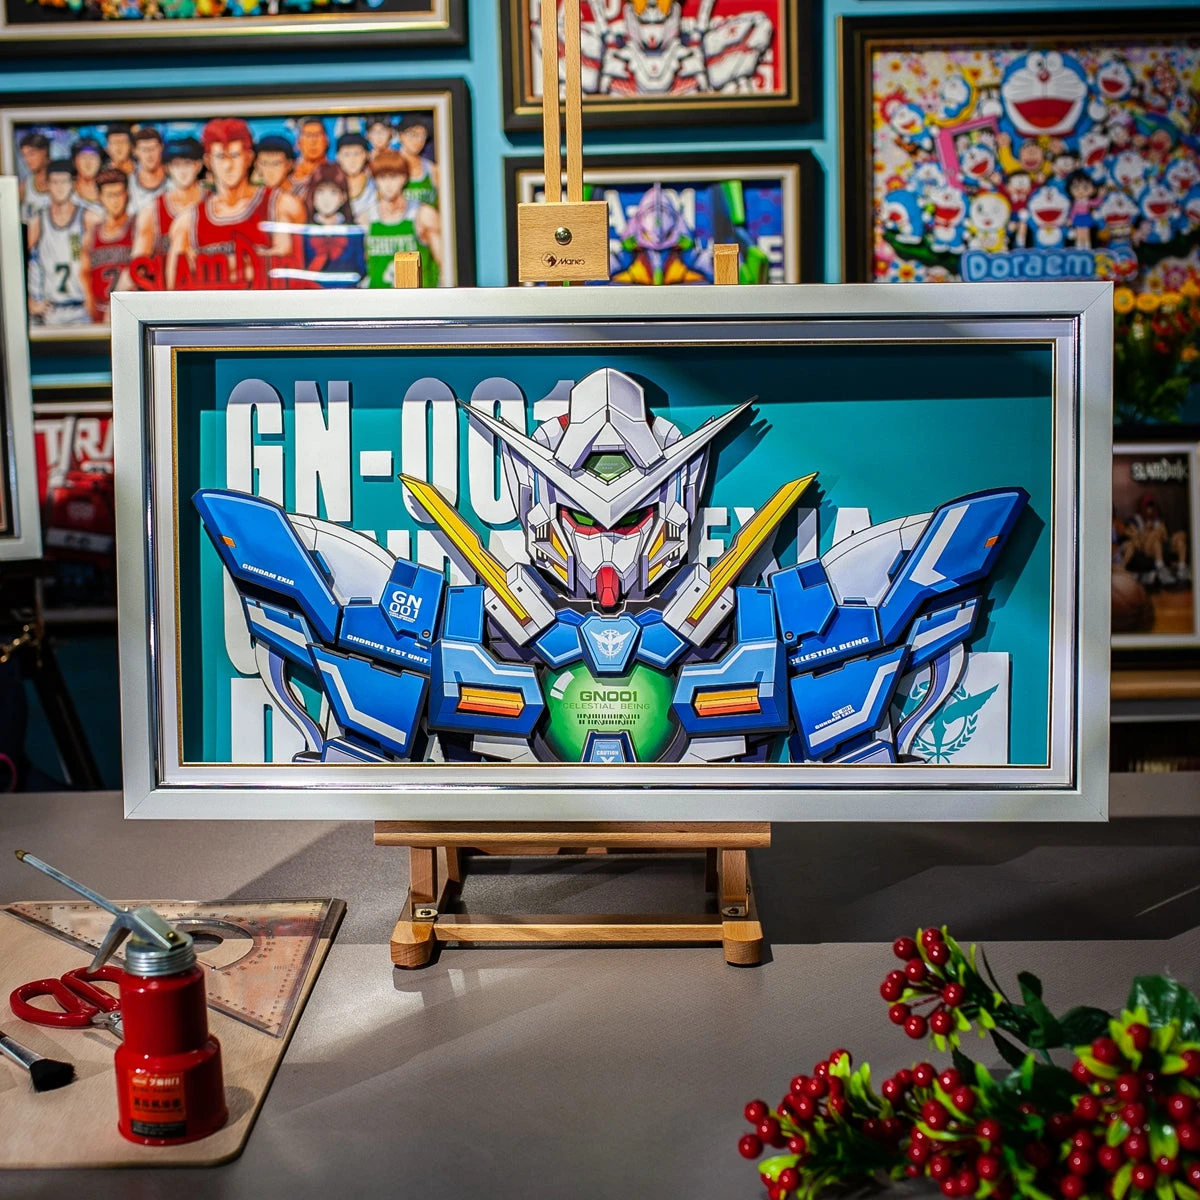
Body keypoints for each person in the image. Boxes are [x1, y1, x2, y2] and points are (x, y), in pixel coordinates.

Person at [166, 117, 305, 290]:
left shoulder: (281, 205)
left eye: (234, 155)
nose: (228, 165)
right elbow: (173, 290)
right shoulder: (187, 223)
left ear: (248, 157)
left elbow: (291, 267)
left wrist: (226, 266)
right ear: (208, 161)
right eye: (220, 156)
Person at [126, 137, 205, 291]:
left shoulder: (213, 204)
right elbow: (138, 265)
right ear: (168, 168)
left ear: (198, 165)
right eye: (177, 165)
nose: (182, 171)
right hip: (166, 295)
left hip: (207, 290)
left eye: (187, 164)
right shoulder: (153, 210)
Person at [25, 159, 89, 327]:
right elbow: (16, 262)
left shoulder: (88, 218)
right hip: (50, 311)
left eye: (64, 181)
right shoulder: (38, 221)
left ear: (73, 183)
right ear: (47, 185)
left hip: (82, 310)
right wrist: (29, 301)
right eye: (55, 182)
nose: (60, 187)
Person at [363, 150, 440, 288]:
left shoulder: (423, 215)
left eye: (393, 177)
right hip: (378, 298)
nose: (388, 184)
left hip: (418, 297)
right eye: (382, 177)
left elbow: (445, 263)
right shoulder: (366, 218)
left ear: (404, 178)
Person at [296, 162, 365, 288]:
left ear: (343, 197)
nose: (326, 199)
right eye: (320, 192)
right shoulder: (304, 232)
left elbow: (361, 269)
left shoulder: (353, 231)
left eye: (333, 192)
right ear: (312, 195)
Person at [81, 168, 133, 324]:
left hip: (130, 313)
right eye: (109, 195)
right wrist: (89, 300)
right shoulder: (92, 233)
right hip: (99, 314)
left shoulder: (138, 227)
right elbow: (85, 272)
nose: (115, 201)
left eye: (119, 194)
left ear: (127, 195)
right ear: (100, 197)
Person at [397, 114, 438, 209]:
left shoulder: (432, 169)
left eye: (422, 135)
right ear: (400, 136)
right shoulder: (389, 165)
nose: (418, 140)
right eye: (413, 134)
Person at [334, 132, 376, 223]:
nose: (352, 160)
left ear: (366, 155)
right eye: (347, 154)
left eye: (357, 154)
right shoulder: (331, 184)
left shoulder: (375, 184)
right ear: (338, 157)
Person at [126, 126, 167, 215]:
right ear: (135, 151)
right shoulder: (128, 184)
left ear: (161, 148)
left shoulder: (174, 180)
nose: (149, 155)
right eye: (144, 150)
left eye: (153, 148)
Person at [17, 130, 51, 223]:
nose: (27, 160)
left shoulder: (64, 180)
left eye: (31, 154)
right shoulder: (24, 186)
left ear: (44, 151)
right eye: (24, 155)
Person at [291, 116, 330, 195]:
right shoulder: (288, 173)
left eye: (317, 135)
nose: (313, 141)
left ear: (326, 141)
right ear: (299, 142)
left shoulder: (336, 173)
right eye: (308, 135)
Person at [71, 138, 104, 212]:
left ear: (100, 162)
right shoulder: (67, 192)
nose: (88, 163)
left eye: (93, 157)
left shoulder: (110, 191)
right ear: (74, 162)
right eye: (83, 157)